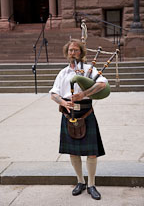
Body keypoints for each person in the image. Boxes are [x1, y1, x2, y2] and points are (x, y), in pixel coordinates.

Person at [49, 39, 107, 200]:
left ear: (81, 52)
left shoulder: (90, 69)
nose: (73, 53)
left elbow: (103, 84)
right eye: (70, 50)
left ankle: (91, 185)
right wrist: (61, 102)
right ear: (67, 54)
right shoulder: (63, 73)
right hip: (69, 113)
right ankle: (80, 182)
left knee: (92, 153)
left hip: (86, 111)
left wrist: (84, 94)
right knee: (73, 152)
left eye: (76, 50)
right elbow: (53, 93)